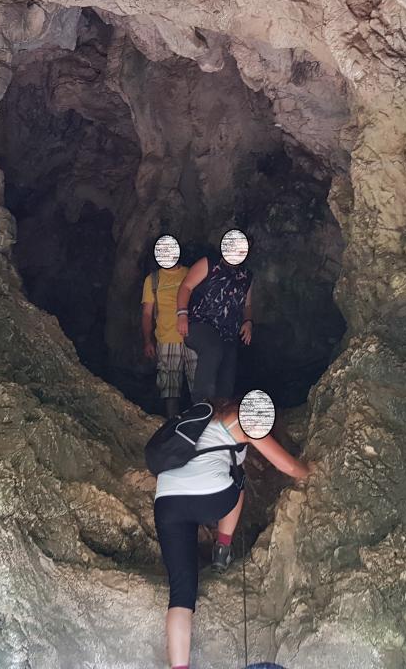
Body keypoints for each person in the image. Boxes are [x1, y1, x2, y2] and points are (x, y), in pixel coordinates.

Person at [154, 398, 311, 669]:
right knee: (238, 477)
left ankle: (179, 666)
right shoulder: (245, 420)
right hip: (210, 499)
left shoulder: (200, 419)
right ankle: (222, 549)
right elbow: (288, 467)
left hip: (167, 502)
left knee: (181, 592)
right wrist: (311, 472)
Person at [175, 233, 253, 404]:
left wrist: (248, 322)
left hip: (228, 333)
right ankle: (201, 403)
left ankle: (220, 411)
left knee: (227, 378)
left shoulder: (247, 276)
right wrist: (182, 314)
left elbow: (247, 305)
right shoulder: (209, 264)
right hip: (200, 324)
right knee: (213, 348)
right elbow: (186, 286)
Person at [142, 246, 198, 419]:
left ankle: (200, 424)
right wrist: (148, 341)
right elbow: (147, 313)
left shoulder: (190, 273)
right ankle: (172, 425)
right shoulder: (153, 280)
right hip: (166, 339)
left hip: (192, 337)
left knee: (199, 386)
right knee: (170, 389)